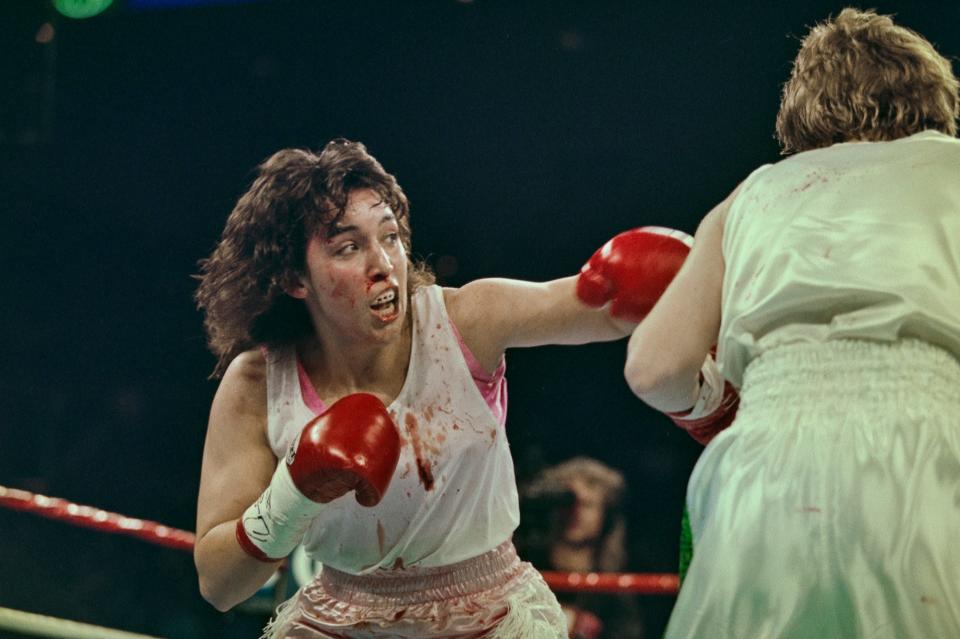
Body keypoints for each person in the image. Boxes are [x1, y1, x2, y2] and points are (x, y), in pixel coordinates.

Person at [192, 138, 692, 638]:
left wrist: (691, 274)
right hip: (337, 623)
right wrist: (293, 492)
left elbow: (593, 303)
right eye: (349, 247)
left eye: (390, 237)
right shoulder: (258, 384)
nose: (383, 263)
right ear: (293, 277)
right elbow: (219, 584)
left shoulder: (464, 322)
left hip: (491, 619)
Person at [624, 8, 960, 638]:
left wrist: (716, 406)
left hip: (766, 469)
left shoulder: (753, 193)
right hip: (927, 452)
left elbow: (654, 367)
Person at [518, 457, 644, 639]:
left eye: (587, 505)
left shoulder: (615, 588)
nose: (575, 513)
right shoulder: (526, 567)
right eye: (568, 503)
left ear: (605, 515)